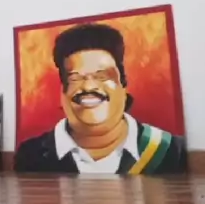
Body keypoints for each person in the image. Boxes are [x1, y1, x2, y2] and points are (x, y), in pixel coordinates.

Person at [14, 24, 186, 174]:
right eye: (75, 78)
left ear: (123, 85)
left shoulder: (170, 151)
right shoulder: (31, 156)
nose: (89, 87)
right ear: (63, 92)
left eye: (102, 76)